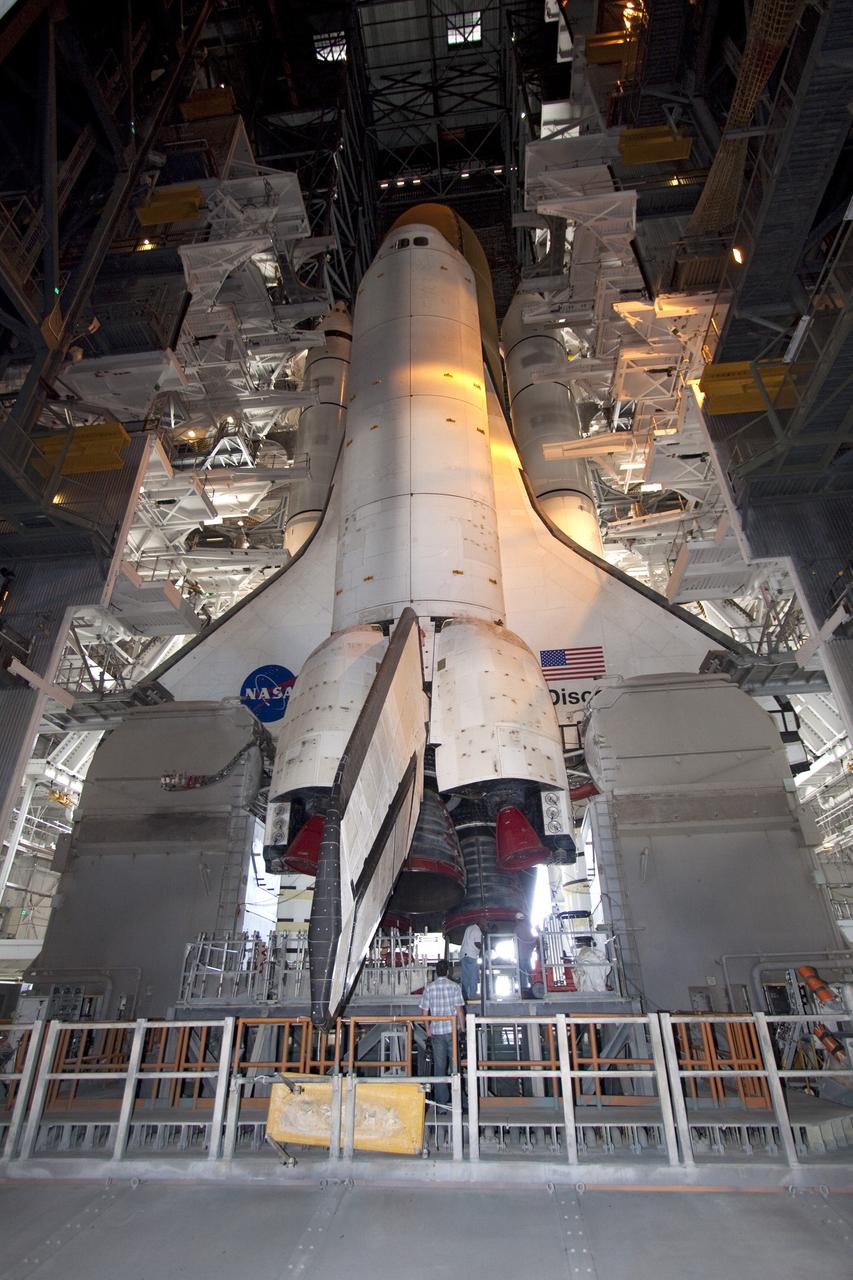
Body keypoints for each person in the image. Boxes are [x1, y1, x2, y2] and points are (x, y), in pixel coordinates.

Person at [418, 959, 464, 1105]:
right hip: (452, 1031)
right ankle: (459, 1101)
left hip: (437, 1032)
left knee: (439, 1067)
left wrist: (428, 1030)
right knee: (455, 1066)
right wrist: (462, 1029)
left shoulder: (429, 988)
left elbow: (424, 1012)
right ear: (448, 971)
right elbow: (459, 1011)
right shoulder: (454, 987)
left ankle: (442, 1103)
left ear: (436, 972)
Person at [459, 922, 482, 1000]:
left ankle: (465, 995)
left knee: (465, 976)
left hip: (463, 954)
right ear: (481, 922)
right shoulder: (478, 930)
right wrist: (484, 947)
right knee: (473, 976)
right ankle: (473, 995)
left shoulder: (469, 928)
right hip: (471, 955)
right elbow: (477, 943)